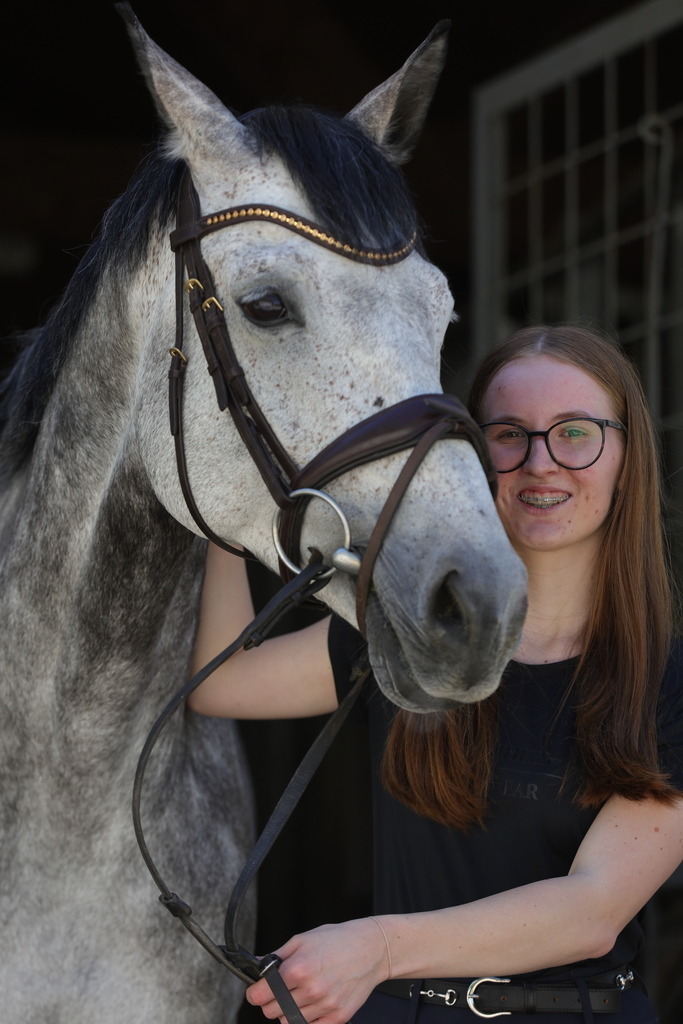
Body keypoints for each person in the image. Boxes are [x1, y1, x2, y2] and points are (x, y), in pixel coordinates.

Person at [188, 324, 683, 1024]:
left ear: (627, 457)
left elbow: (590, 911)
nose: (540, 462)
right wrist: (221, 516)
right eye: (507, 434)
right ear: (471, 460)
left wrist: (375, 948)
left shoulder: (668, 684)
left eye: (575, 432)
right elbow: (223, 683)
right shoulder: (404, 636)